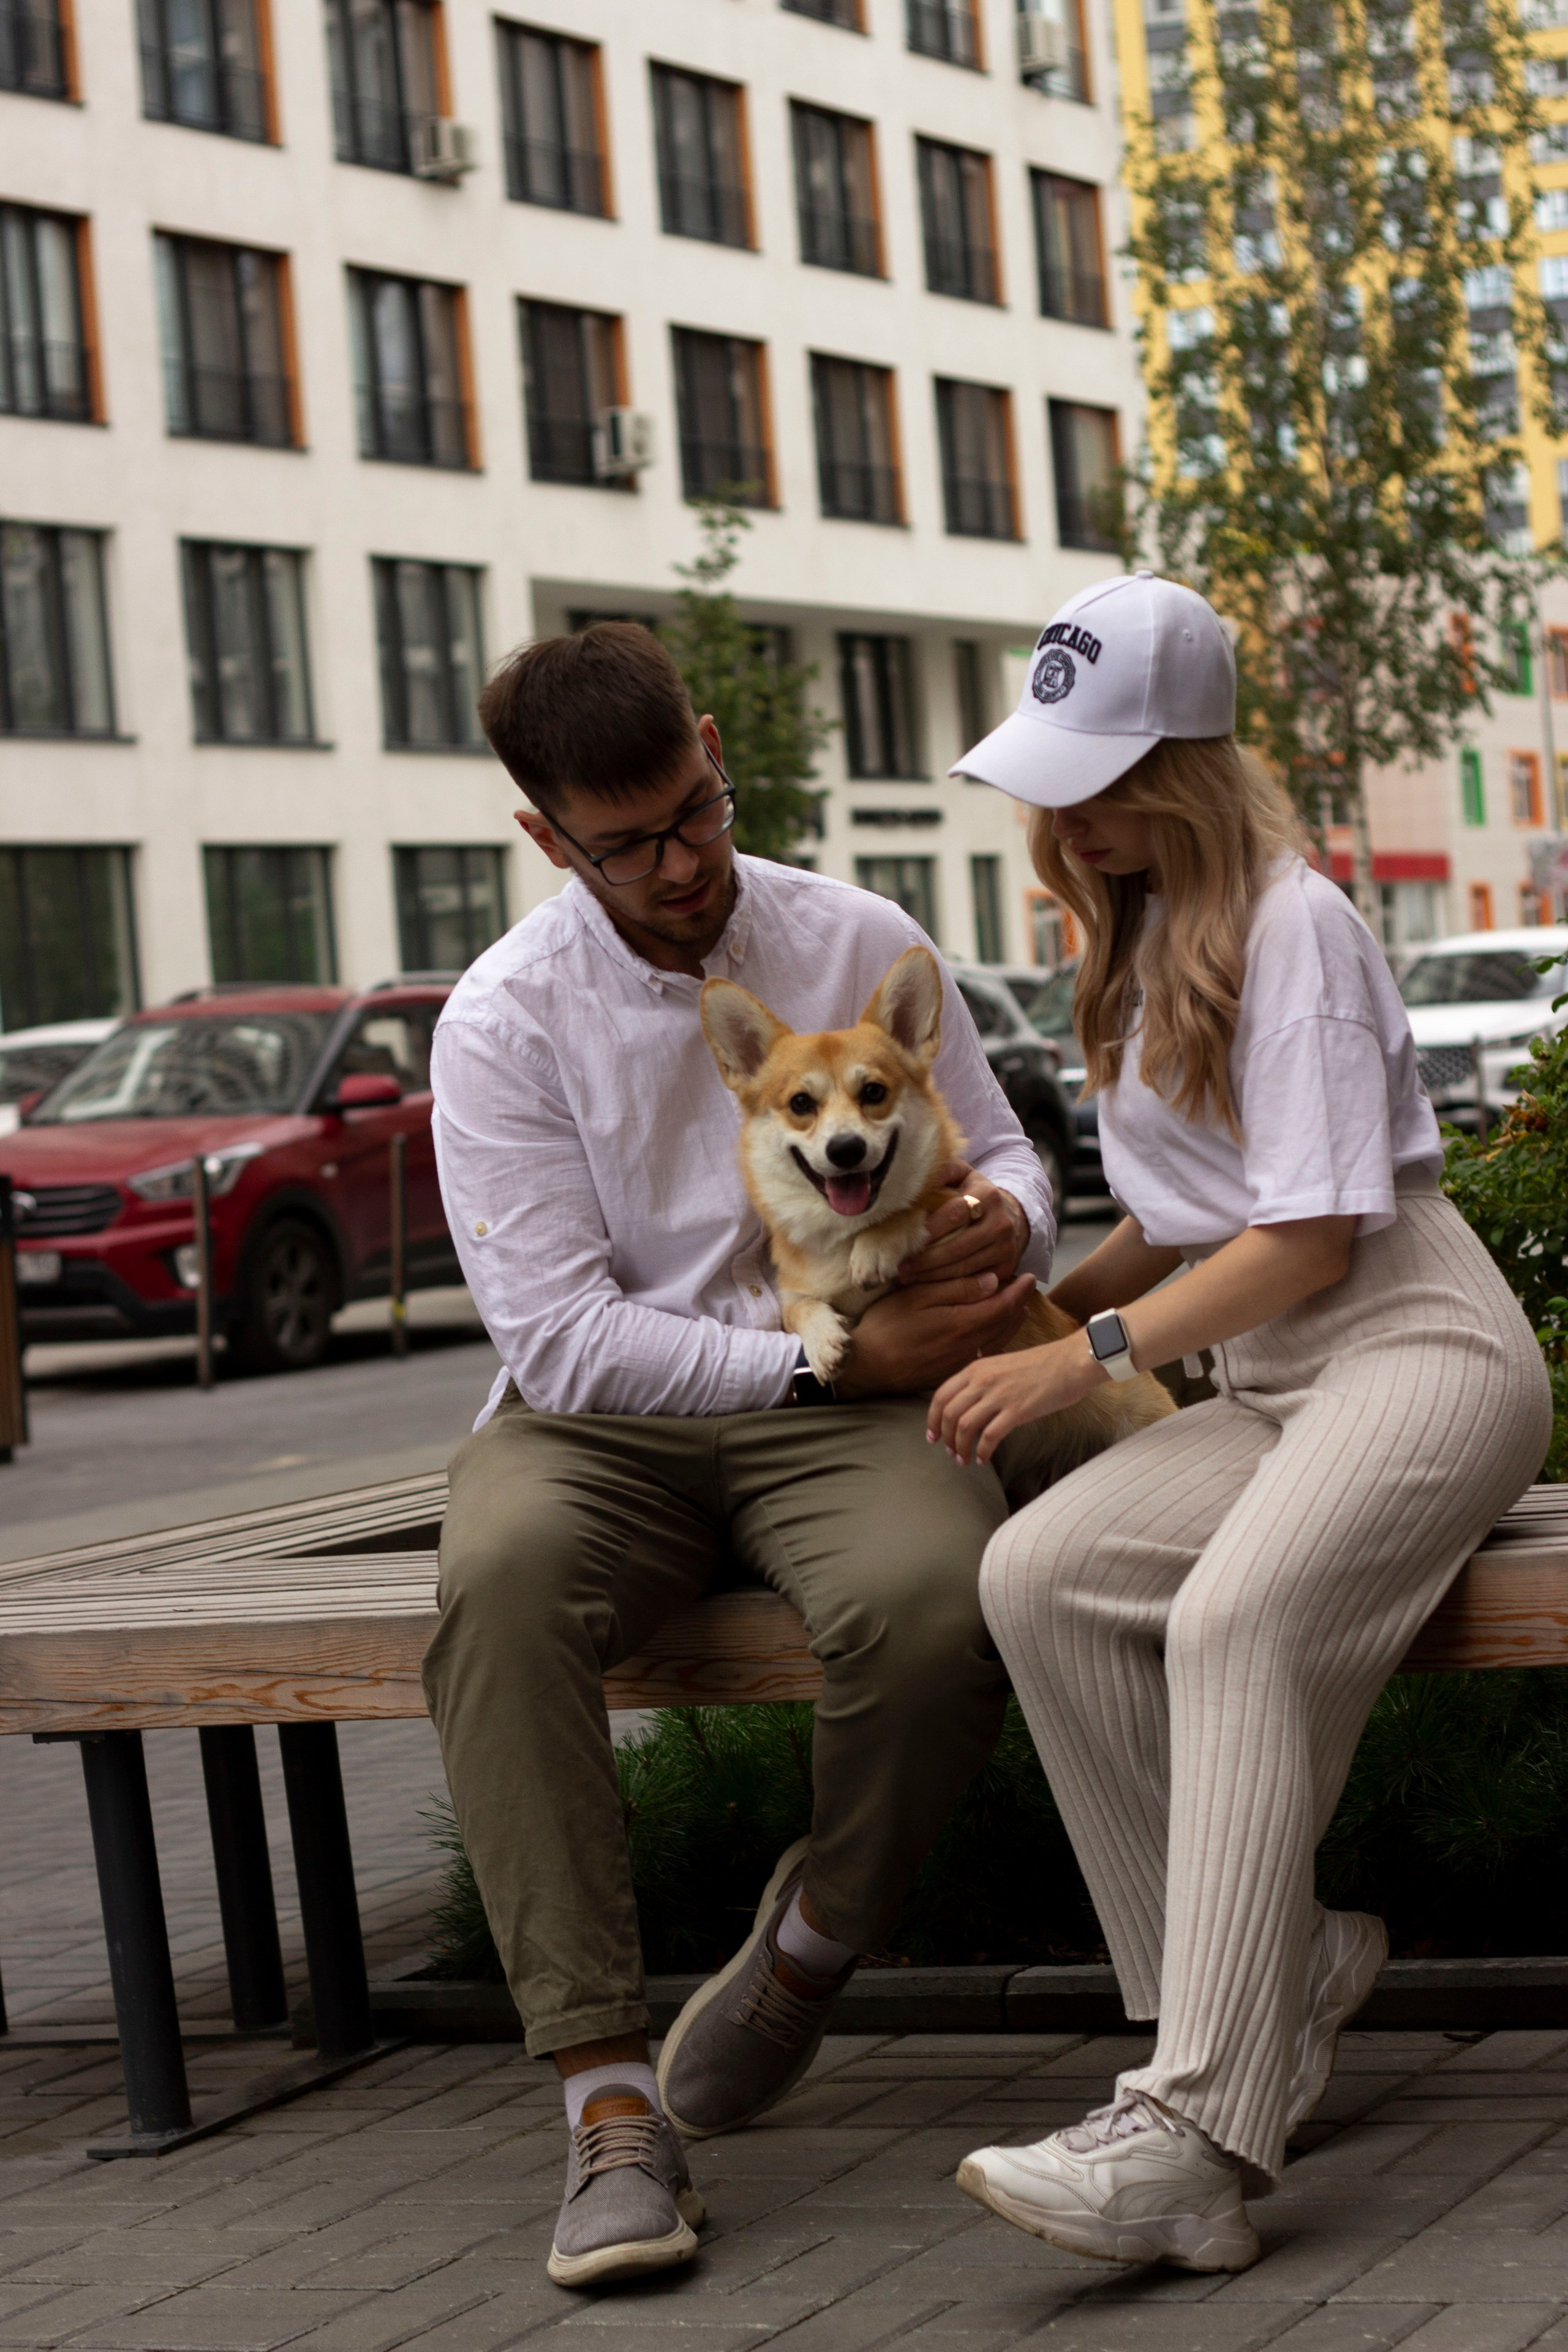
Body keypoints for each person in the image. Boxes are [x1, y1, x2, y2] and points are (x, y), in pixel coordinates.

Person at [422, 622, 1073, 2290]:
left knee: (944, 1600)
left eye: (693, 813)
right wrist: (827, 1355)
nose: (678, 864)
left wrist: (1005, 1216)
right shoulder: (505, 1021)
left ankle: (810, 1944)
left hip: (850, 1418)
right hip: (609, 1427)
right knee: (494, 1592)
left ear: (713, 751)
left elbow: (1005, 1148)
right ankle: (608, 2103)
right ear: (545, 838)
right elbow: (558, 1337)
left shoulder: (854, 933)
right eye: (624, 844)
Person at [929, 571, 1552, 2275]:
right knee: (1038, 1578)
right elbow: (1198, 1214)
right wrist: (1037, 1305)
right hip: (1276, 1380)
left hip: (1420, 1355)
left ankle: (1196, 2120)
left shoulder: (1300, 928)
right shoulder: (1127, 932)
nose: (1062, 810)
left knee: (1237, 1618)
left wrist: (1090, 1351)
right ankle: (1285, 1979)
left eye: (1094, 777)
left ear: (1179, 767)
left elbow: (1312, 1235)